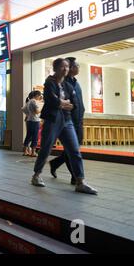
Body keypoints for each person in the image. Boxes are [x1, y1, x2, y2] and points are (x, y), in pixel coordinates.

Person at [31, 58, 97, 195]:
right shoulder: (49, 82)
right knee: (46, 148)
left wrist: (63, 103)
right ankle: (36, 175)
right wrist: (62, 103)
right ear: (55, 68)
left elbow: (75, 104)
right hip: (52, 120)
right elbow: (53, 100)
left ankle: (80, 181)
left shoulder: (68, 85)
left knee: (74, 150)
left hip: (67, 120)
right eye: (62, 67)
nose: (65, 69)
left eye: (67, 67)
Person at [49, 57, 85, 185]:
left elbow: (78, 102)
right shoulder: (63, 84)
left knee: (75, 148)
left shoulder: (76, 82)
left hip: (79, 120)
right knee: (73, 150)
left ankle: (55, 163)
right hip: (68, 120)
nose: (77, 68)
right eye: (76, 65)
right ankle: (75, 177)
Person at [22, 90, 43, 157]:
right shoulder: (34, 101)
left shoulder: (29, 101)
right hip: (35, 121)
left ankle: (25, 151)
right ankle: (33, 152)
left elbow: (23, 109)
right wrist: (42, 109)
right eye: (39, 96)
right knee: (35, 137)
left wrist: (28, 115)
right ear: (37, 95)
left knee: (28, 136)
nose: (39, 97)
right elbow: (37, 111)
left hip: (29, 120)